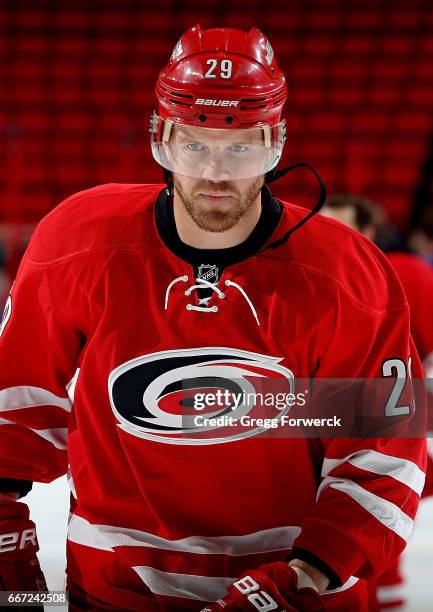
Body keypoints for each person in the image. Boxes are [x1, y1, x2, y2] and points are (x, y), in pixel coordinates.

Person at [0, 25, 426, 612]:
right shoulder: (80, 241)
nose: (216, 174)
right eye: (194, 145)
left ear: (275, 142)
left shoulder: (347, 273)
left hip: (291, 592)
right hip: (114, 591)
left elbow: (384, 455)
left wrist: (304, 578)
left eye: (240, 147)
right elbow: (14, 399)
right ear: (161, 140)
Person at [321, 192, 433, 610]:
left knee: (370, 533)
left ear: (367, 233)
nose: (330, 235)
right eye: (323, 224)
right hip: (314, 424)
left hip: (384, 423)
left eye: (342, 225)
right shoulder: (301, 276)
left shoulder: (405, 274)